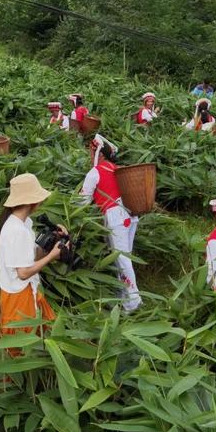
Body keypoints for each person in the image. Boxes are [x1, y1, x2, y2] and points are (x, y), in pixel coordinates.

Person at [0, 173, 64, 346]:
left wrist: (51, 241)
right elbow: (24, 273)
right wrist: (52, 256)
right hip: (19, 296)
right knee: (22, 346)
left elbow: (30, 258)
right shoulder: (17, 231)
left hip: (24, 291)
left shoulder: (22, 224)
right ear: (31, 202)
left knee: (36, 338)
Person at [80, 134, 142, 312]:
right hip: (130, 214)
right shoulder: (117, 168)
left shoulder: (95, 172)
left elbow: (82, 201)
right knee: (124, 257)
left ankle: (133, 302)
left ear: (99, 154)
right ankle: (123, 295)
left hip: (115, 216)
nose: (90, 156)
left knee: (121, 259)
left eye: (91, 153)